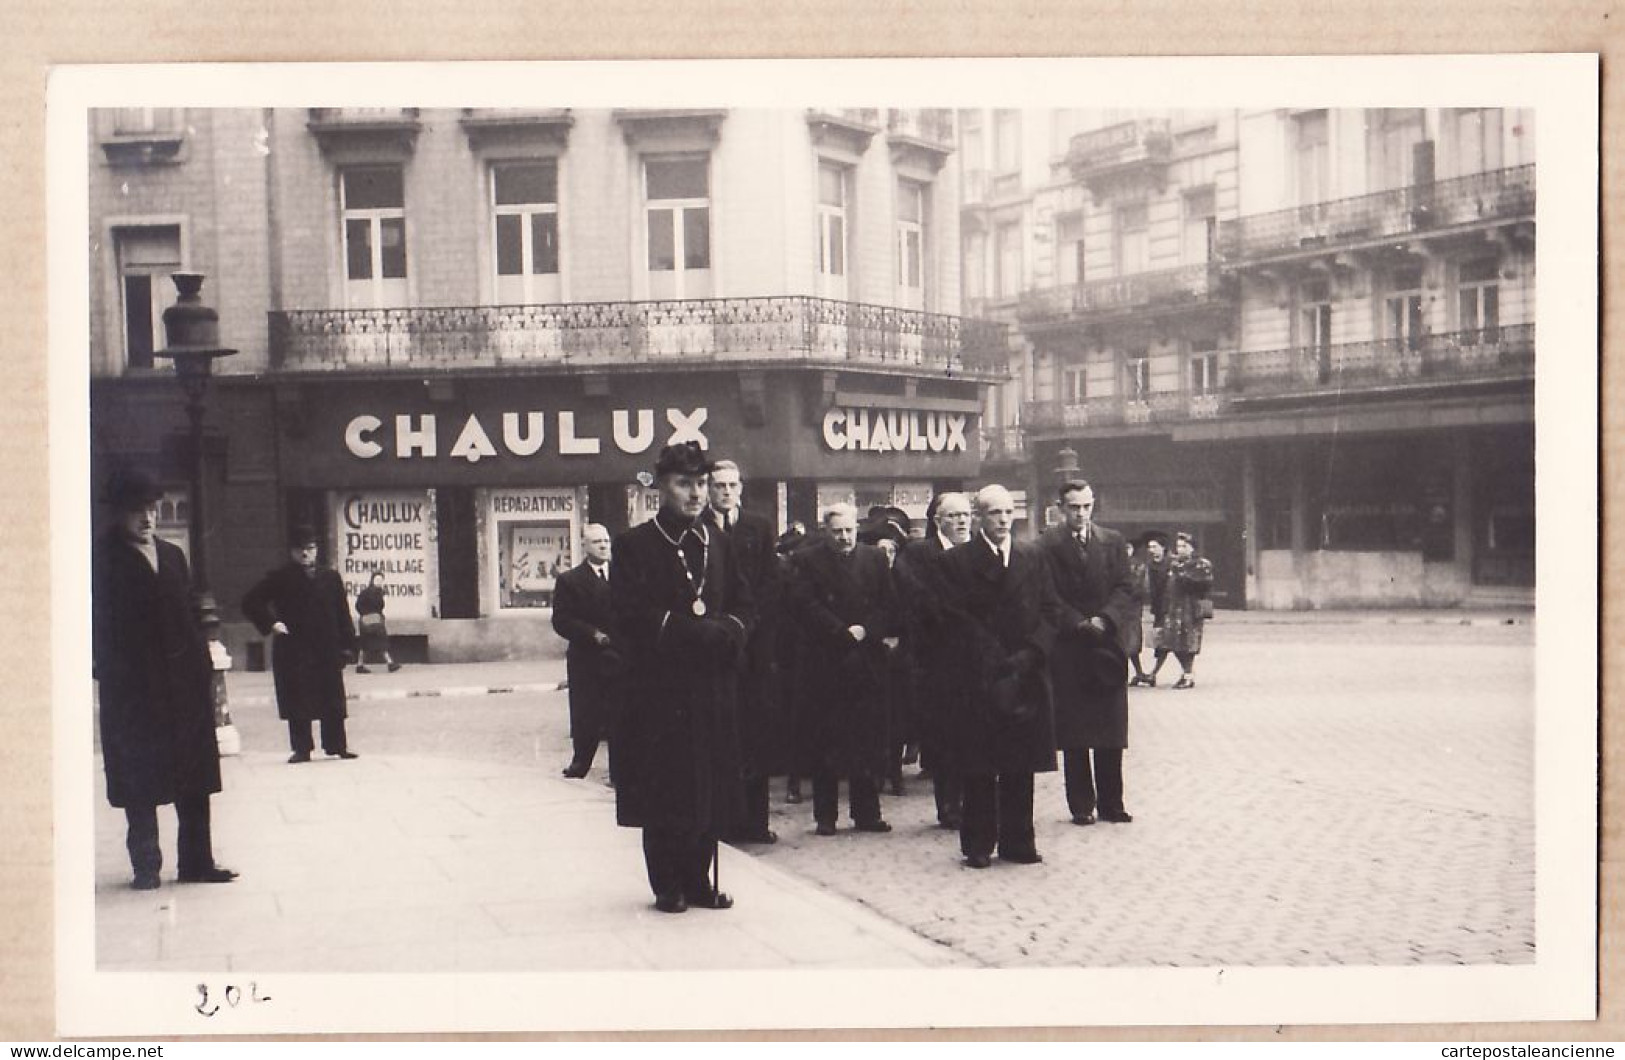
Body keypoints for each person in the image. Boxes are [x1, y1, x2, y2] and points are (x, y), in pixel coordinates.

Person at [611, 442, 753, 914]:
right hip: (662, 690)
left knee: (708, 782)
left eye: (701, 485)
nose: (696, 495)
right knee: (667, 784)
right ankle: (667, 883)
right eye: (684, 484)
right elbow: (629, 615)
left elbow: (744, 603)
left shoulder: (718, 541)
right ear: (661, 488)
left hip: (713, 685)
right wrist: (693, 632)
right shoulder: (635, 545)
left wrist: (730, 630)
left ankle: (699, 879)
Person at [92, 468, 238, 890]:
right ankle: (146, 866)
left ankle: (197, 862)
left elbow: (190, 612)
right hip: (135, 690)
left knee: (194, 776)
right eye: (137, 511)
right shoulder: (101, 559)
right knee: (140, 780)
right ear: (118, 514)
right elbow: (96, 624)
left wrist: (200, 661)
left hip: (183, 686)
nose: (147, 518)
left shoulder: (173, 555)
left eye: (152, 510)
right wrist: (110, 672)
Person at [939, 485, 1061, 868]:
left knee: (1020, 764)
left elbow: (1051, 609)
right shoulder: (958, 562)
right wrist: (992, 657)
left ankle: (1018, 841)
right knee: (980, 764)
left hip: (1025, 674)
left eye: (1009, 512)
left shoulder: (1032, 556)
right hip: (980, 676)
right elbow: (953, 616)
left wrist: (1031, 653)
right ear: (979, 516)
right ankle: (978, 843)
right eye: (995, 513)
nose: (1004, 520)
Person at [787, 504, 900, 836]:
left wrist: (867, 629)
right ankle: (826, 816)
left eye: (850, 530)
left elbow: (888, 603)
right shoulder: (808, 560)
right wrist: (839, 631)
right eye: (837, 531)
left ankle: (867, 813)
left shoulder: (875, 559)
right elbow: (805, 604)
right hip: (827, 660)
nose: (845, 537)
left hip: (866, 661)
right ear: (826, 531)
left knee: (867, 739)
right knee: (827, 743)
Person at [1038, 480, 1137, 826]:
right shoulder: (1047, 545)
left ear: (1094, 506)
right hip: (1071, 646)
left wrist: (1105, 619)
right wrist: (1077, 622)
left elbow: (1126, 587)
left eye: (1086, 507)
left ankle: (1113, 803)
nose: (1080, 514)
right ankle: (1081, 804)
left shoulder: (1113, 542)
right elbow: (1046, 592)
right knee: (1075, 731)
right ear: (1061, 508)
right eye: (1073, 507)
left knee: (1110, 730)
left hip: (1107, 645)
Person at [704, 460, 786, 844]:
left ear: (741, 487)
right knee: (719, 735)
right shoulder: (698, 526)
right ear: (708, 488)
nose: (725, 491)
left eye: (732, 485)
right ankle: (720, 820)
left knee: (756, 734)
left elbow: (771, 580)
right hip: (717, 643)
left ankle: (755, 822)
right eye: (718, 485)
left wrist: (752, 625)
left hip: (754, 646)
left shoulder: (758, 526)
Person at [243, 526, 359, 764]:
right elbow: (251, 601)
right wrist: (272, 623)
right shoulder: (280, 578)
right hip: (294, 649)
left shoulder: (330, 577)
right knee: (298, 698)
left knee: (332, 699)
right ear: (292, 552)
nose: (305, 553)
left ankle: (337, 745)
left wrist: (348, 646)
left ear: (317, 550)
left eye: (310, 548)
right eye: (300, 549)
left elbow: (342, 613)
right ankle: (301, 748)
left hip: (326, 648)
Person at [895, 491, 973, 829]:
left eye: (965, 515)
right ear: (938, 520)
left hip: (974, 656)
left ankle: (973, 801)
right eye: (953, 516)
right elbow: (917, 599)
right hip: (937, 656)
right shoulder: (918, 554)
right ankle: (949, 804)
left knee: (973, 734)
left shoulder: (977, 552)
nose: (961, 521)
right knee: (944, 735)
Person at [550, 523, 622, 780]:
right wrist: (592, 634)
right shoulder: (570, 580)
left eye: (606, 541)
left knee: (619, 713)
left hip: (620, 655)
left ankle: (619, 770)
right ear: (584, 546)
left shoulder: (623, 575)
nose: (603, 546)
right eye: (596, 542)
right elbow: (562, 620)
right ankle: (581, 763)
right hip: (587, 657)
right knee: (586, 713)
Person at [1154, 532, 1215, 689]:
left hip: (1191, 609)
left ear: (1192, 548)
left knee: (1189, 644)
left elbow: (1202, 584)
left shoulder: (1201, 564)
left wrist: (1181, 573)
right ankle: (1187, 673)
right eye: (1178, 546)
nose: (1180, 549)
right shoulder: (1174, 564)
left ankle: (1188, 675)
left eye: (1184, 546)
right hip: (1174, 609)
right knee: (1173, 643)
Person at [1134, 534, 1172, 687]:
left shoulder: (1172, 564)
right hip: (1158, 608)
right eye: (1150, 547)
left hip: (1170, 607)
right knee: (1160, 641)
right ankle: (1150, 673)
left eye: (1155, 546)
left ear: (1163, 548)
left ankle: (1154, 673)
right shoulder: (1149, 565)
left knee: (1165, 641)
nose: (1152, 550)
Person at [353, 571, 401, 674]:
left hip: (375, 619)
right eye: (377, 580)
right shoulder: (366, 593)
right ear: (372, 580)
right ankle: (388, 664)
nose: (379, 582)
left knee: (379, 641)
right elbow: (358, 605)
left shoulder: (380, 593)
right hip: (369, 620)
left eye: (381, 580)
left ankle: (389, 663)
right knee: (369, 643)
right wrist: (366, 614)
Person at [1124, 541, 1151, 686]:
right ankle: (1138, 672)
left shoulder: (1136, 566)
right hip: (1128, 608)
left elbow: (1141, 588)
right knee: (1129, 640)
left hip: (1130, 607)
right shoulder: (1119, 564)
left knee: (1130, 640)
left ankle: (1136, 672)